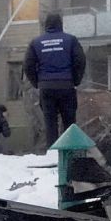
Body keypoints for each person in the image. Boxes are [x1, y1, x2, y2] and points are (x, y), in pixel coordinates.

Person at [24, 13, 86, 148]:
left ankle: (53, 153)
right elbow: (80, 61)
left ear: (46, 25)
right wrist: (76, 80)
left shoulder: (36, 42)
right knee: (69, 123)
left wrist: (37, 83)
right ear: (61, 24)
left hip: (46, 88)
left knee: (50, 123)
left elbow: (28, 66)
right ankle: (70, 152)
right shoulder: (71, 40)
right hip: (66, 86)